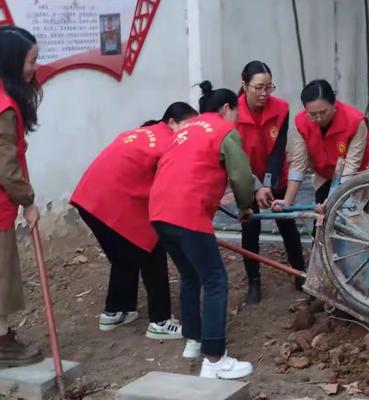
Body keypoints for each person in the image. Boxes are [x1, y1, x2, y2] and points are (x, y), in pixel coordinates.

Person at [150, 81, 255, 379]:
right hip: (187, 213)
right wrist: (245, 206)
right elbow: (242, 177)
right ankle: (215, 358)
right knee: (216, 281)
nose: (237, 120)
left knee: (190, 275)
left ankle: (194, 342)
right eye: (236, 113)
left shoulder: (184, 129)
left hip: (159, 212)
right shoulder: (224, 131)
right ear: (226, 109)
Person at [70, 102, 197, 339]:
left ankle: (116, 310)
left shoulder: (140, 133)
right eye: (186, 127)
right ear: (171, 123)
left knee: (125, 254)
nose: (190, 135)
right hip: (113, 202)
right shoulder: (168, 143)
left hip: (87, 198)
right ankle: (160, 322)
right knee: (151, 248)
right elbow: (170, 188)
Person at [236, 61, 305, 303]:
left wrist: (268, 184)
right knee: (250, 227)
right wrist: (255, 187)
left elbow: (278, 150)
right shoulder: (233, 114)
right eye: (258, 87)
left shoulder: (281, 109)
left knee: (287, 223)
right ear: (244, 86)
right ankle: (254, 282)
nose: (264, 93)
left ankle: (299, 273)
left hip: (276, 174)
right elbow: (237, 158)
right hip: (244, 176)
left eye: (269, 87)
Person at [273, 79, 369, 217]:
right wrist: (287, 201)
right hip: (326, 175)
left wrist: (333, 198)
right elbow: (298, 163)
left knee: (362, 223)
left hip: (360, 175)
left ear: (334, 104)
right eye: (313, 114)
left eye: (323, 112)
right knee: (321, 224)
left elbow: (351, 167)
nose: (319, 118)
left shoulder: (355, 121)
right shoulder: (301, 122)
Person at [0, 26, 43, 367]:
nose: (35, 68)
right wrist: (28, 201)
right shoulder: (4, 106)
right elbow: (7, 166)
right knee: (2, 274)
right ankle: (2, 343)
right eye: (31, 60)